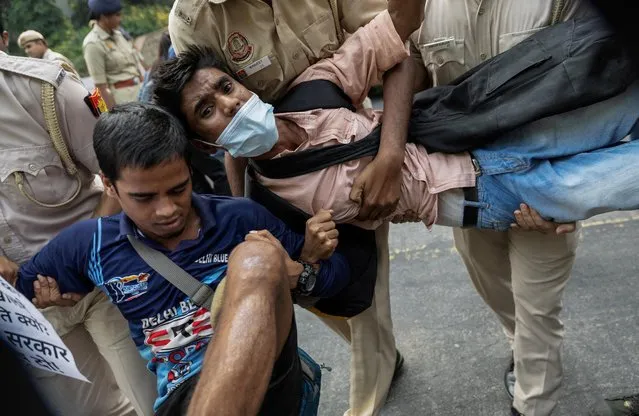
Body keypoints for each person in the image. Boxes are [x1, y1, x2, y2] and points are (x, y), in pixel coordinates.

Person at [154, 10, 639, 229]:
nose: (229, 104)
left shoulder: (314, 89)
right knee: (613, 182)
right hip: (486, 200)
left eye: (225, 88)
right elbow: (321, 276)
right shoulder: (273, 205)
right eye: (207, 111)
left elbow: (396, 38)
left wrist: (388, 156)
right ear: (207, 145)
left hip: (484, 135)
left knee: (618, 113)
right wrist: (309, 259)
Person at [12, 102, 350, 415]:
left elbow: (338, 276)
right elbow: (18, 295)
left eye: (178, 189)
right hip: (182, 397)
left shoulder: (240, 219)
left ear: (189, 171)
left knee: (255, 258)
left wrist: (298, 271)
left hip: (272, 377)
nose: (167, 210)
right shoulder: (90, 244)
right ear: (109, 186)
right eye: (143, 197)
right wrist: (49, 300)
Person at [168, 1, 415, 413]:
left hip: (349, 146)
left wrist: (390, 154)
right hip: (278, 177)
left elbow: (394, 43)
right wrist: (245, 216)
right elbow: (218, 118)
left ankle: (368, 393)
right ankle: (380, 353)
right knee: (314, 285)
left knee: (364, 289)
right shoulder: (193, 20)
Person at [410, 2, 601, 415]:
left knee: (538, 311)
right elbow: (415, 80)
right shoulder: (424, 6)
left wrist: (572, 197)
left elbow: (591, 81)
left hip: (544, 186)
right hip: (468, 185)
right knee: (493, 284)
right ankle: (522, 344)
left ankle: (533, 402)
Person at [0, 20, 156, 416]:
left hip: (103, 277)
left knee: (154, 396)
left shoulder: (48, 90)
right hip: (28, 304)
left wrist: (88, 258)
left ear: (2, 39)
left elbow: (121, 174)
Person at [83, 0, 145, 109]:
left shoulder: (119, 35)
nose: (120, 19)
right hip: (123, 103)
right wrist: (112, 114)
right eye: (117, 15)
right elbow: (100, 86)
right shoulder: (93, 44)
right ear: (104, 17)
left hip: (141, 93)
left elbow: (135, 65)